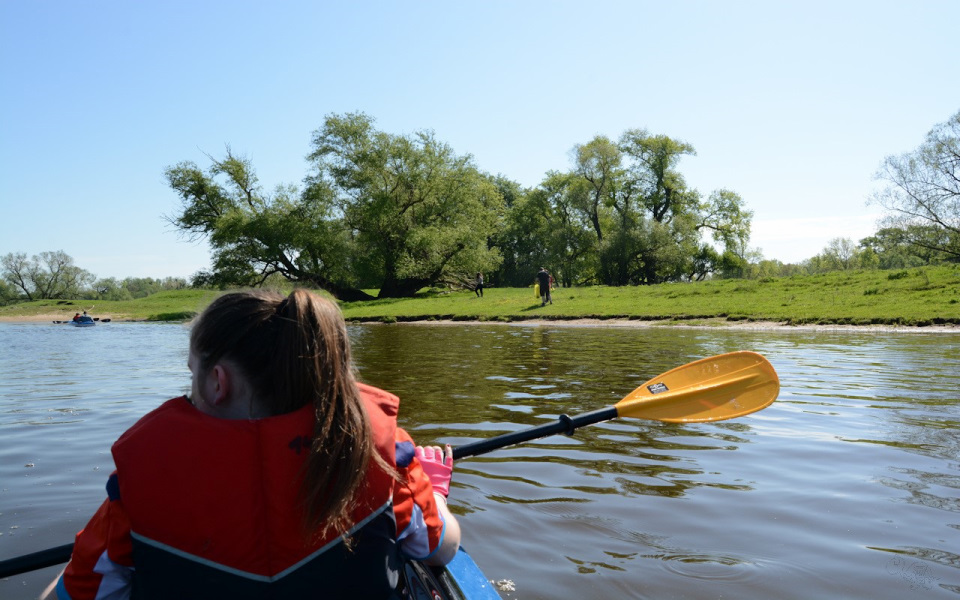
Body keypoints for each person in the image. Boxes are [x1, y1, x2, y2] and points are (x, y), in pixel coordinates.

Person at [42, 289, 461, 599]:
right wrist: (435, 493)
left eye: (192, 372)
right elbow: (440, 548)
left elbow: (75, 595)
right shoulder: (385, 454)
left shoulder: (138, 483)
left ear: (217, 381)